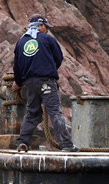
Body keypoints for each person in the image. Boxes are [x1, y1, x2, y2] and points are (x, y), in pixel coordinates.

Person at [13, 14, 78, 153]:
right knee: (55, 112)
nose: (47, 30)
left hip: (30, 83)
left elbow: (17, 67)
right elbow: (58, 58)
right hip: (47, 81)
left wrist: (18, 82)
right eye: (46, 27)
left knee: (32, 113)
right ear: (40, 25)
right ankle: (66, 145)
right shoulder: (48, 39)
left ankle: (22, 143)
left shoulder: (20, 42)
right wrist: (48, 67)